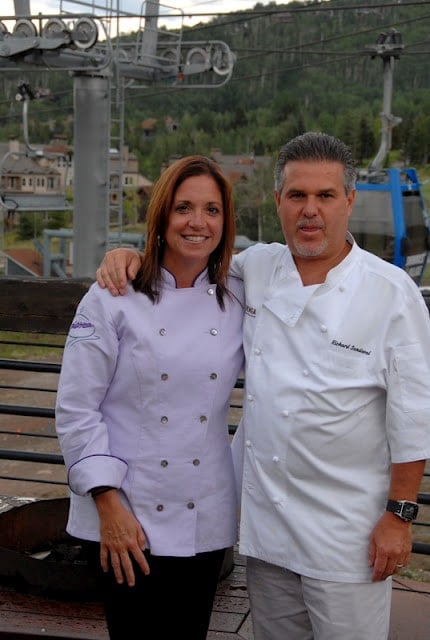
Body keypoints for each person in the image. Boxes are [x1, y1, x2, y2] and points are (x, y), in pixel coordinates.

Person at [95, 132, 430, 640]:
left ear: (350, 201)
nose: (310, 211)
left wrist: (399, 517)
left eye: (325, 196)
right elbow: (187, 257)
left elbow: (413, 413)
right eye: (297, 196)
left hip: (349, 538)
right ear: (278, 202)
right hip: (268, 534)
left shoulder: (390, 293)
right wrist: (127, 254)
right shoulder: (254, 269)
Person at [55, 155, 245, 640]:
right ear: (161, 216)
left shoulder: (241, 294)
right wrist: (108, 503)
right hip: (127, 515)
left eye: (211, 209)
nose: (197, 222)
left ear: (226, 222)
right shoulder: (110, 297)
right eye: (183, 207)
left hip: (203, 511)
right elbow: (77, 409)